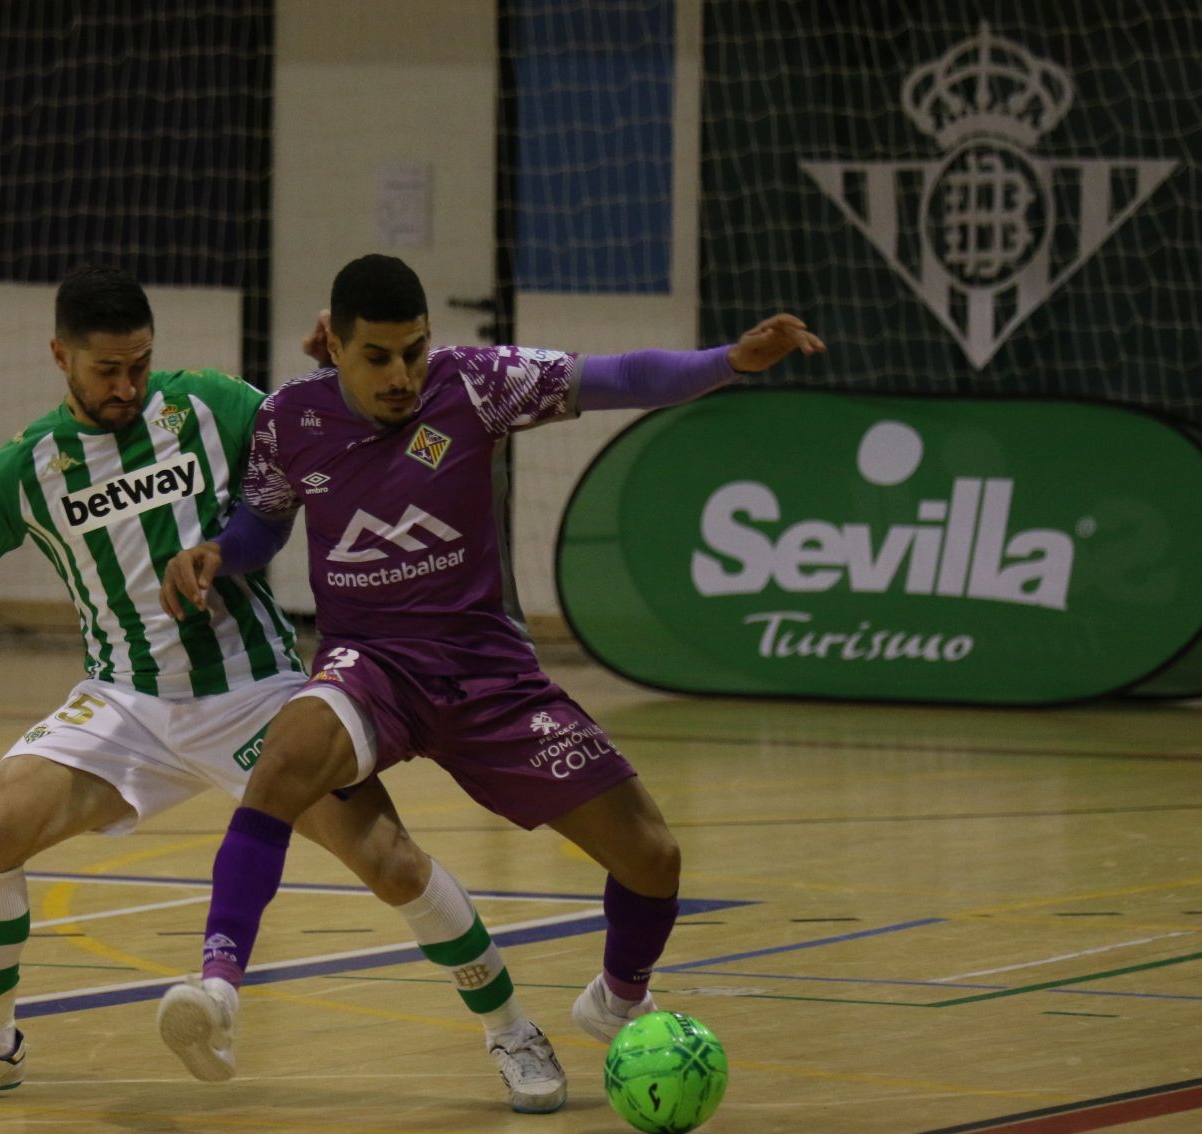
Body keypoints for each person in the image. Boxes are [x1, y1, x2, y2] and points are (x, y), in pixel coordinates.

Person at [0, 264, 571, 1112]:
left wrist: (330, 364)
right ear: (60, 356)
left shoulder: (208, 404)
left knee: (389, 860)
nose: (127, 386)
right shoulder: (29, 467)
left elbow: (319, 425)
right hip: (124, 700)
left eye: (138, 365)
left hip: (254, 689)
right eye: (106, 371)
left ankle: (511, 1030)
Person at [155, 254, 823, 1080]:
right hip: (373, 666)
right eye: (379, 357)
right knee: (285, 756)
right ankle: (216, 991)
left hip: (485, 672)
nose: (402, 374)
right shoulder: (290, 419)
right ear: (334, 345)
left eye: (416, 350)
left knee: (654, 857)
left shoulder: (477, 384)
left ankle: (617, 998)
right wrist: (220, 551)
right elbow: (264, 519)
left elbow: (614, 375)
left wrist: (727, 362)